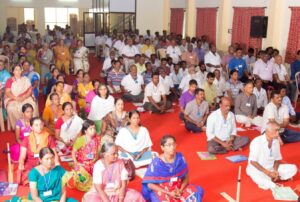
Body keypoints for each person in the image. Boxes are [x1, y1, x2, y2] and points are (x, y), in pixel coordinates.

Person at [142, 135, 204, 201]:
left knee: (197, 194)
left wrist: (181, 190)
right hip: (163, 190)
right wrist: (168, 193)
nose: (172, 147)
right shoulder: (157, 163)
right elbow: (149, 184)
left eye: (173, 144)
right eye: (169, 145)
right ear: (162, 147)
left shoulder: (180, 158)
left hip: (178, 187)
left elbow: (186, 177)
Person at [246, 122, 297, 190]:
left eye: (278, 130)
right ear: (268, 131)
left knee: (293, 168)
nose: (278, 133)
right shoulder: (257, 141)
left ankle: (273, 178)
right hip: (258, 170)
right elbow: (253, 162)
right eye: (276, 130)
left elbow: (277, 159)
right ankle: (272, 180)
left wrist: (275, 171)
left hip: (271, 168)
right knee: (266, 183)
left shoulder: (275, 142)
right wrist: (268, 173)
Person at [18, 117, 59, 185]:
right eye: (36, 125)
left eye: (40, 124)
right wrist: (21, 163)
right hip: (31, 162)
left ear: (43, 125)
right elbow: (22, 156)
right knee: (27, 174)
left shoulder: (48, 137)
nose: (39, 127)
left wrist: (57, 163)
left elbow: (54, 153)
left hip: (45, 161)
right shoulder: (27, 139)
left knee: (53, 174)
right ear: (31, 127)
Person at [5, 65, 38, 129]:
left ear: (21, 71)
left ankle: (32, 124)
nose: (18, 71)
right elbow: (8, 92)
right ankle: (18, 127)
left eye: (19, 69)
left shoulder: (25, 79)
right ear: (13, 71)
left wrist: (24, 97)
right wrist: (16, 98)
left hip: (26, 97)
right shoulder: (9, 80)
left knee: (32, 105)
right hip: (13, 98)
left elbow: (30, 90)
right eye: (16, 70)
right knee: (11, 108)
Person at [71, 120, 101, 191]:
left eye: (94, 128)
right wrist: (76, 163)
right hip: (83, 164)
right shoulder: (80, 140)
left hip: (93, 163)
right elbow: (73, 152)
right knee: (81, 177)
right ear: (85, 131)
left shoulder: (97, 139)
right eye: (91, 129)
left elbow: (98, 152)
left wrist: (95, 159)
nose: (93, 130)